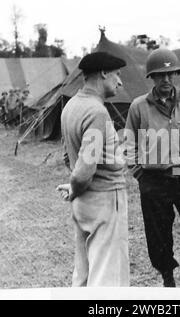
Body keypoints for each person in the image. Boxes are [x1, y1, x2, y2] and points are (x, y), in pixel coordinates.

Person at [124, 48, 180, 287]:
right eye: (160, 75)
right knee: (158, 234)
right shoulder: (139, 106)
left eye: (171, 74)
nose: (166, 80)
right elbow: (129, 143)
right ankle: (167, 277)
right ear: (151, 77)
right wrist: (139, 173)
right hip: (154, 181)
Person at [56, 51, 129, 287]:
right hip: (104, 200)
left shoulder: (70, 107)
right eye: (117, 74)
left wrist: (75, 187)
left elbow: (70, 157)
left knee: (83, 275)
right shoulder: (97, 111)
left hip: (83, 203)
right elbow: (85, 170)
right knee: (107, 278)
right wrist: (78, 185)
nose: (120, 81)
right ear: (104, 73)